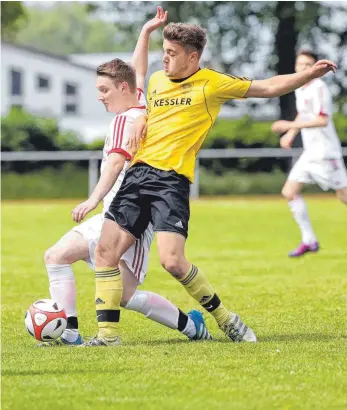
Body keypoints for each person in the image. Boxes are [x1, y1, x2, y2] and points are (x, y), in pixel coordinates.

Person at [83, 20, 337, 347]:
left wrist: (308, 75)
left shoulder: (212, 84)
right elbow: (141, 87)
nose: (165, 59)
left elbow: (269, 86)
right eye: (164, 51)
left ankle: (225, 319)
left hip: (170, 181)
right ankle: (107, 337)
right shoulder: (158, 80)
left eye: (172, 53)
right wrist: (144, 116)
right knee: (105, 253)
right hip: (136, 175)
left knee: (172, 262)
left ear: (192, 57)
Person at [41, 8, 211, 347]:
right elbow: (138, 72)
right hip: (109, 216)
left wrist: (91, 200)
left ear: (122, 88)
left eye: (104, 89)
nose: (99, 96)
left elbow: (115, 165)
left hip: (129, 218)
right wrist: (145, 33)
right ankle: (70, 331)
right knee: (55, 256)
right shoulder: (140, 106)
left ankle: (191, 326)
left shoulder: (129, 120)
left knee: (125, 296)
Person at [271, 49, 347, 257]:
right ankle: (309, 240)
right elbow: (303, 115)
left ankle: (309, 240)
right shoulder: (300, 88)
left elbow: (322, 120)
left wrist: (288, 124)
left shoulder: (319, 87)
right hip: (310, 153)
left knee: (344, 197)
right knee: (289, 191)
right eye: (300, 65)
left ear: (315, 68)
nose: (303, 68)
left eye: (307, 65)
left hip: (325, 153)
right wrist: (291, 132)